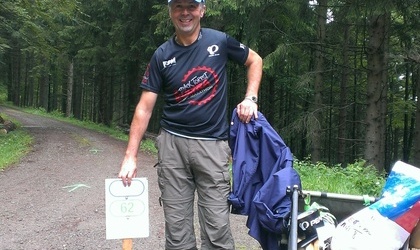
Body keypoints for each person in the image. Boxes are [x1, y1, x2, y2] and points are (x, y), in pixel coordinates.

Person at [118, 0, 263, 249]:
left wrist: (250, 98)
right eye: (178, 7)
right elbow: (144, 107)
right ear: (171, 12)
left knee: (217, 230)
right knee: (177, 233)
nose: (185, 13)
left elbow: (255, 60)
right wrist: (130, 156)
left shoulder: (220, 42)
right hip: (172, 148)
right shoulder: (162, 55)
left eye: (192, 6)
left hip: (213, 147)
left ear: (202, 10)